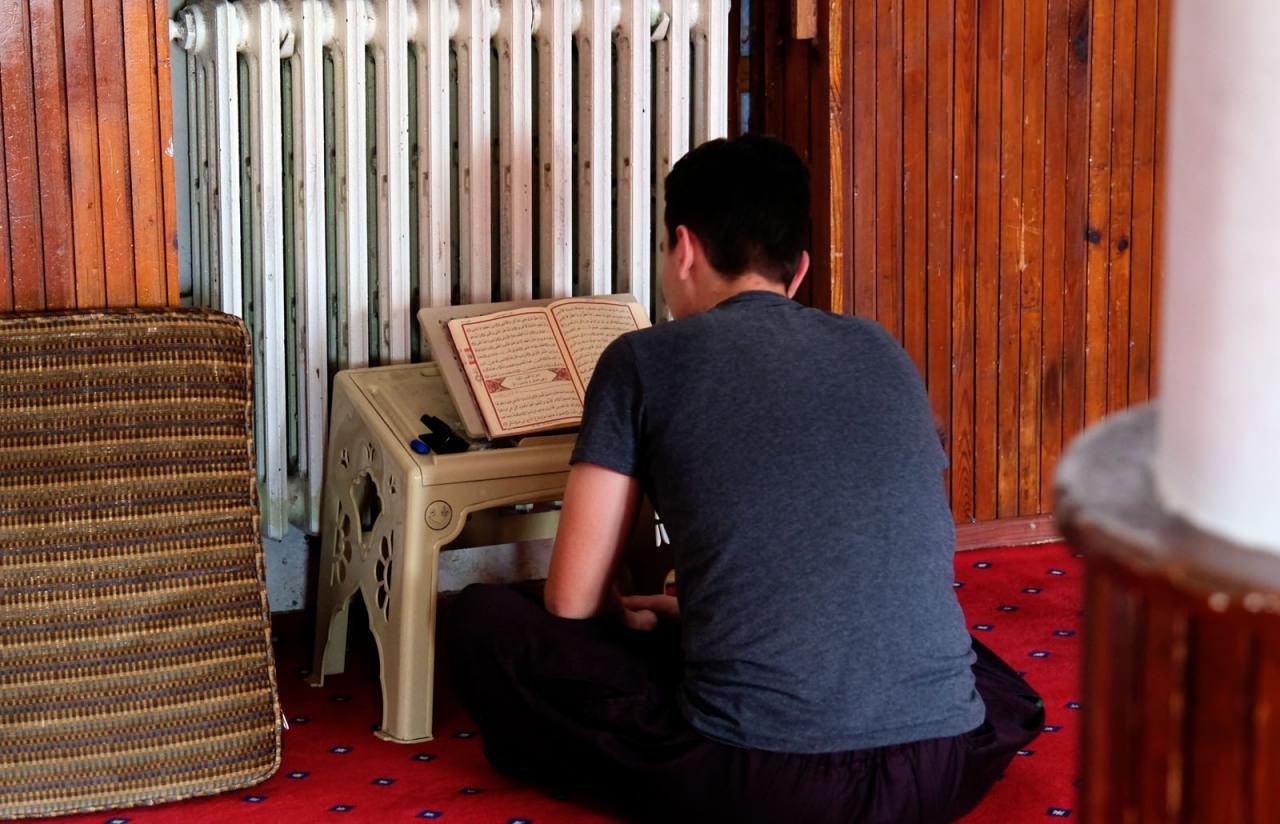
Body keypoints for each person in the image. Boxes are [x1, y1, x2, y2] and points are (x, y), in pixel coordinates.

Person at [442, 134, 1043, 823]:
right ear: (801, 268)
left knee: (485, 620)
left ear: (685, 249)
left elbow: (572, 602)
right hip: (942, 767)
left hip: (765, 783)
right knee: (960, 657)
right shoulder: (880, 346)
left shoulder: (641, 358)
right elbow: (867, 547)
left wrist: (634, 617)